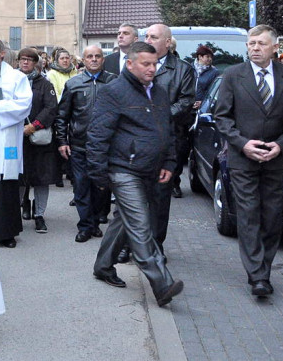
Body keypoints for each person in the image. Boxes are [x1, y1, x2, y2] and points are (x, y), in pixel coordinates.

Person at [213, 24, 283, 297]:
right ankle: (258, 276)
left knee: (272, 217)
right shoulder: (232, 75)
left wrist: (280, 145)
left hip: (276, 160)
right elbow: (222, 117)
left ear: (274, 47)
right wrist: (243, 144)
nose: (255, 48)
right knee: (249, 215)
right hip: (244, 160)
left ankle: (264, 266)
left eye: (261, 44)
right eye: (251, 43)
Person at [89, 42, 184, 307]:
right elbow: (97, 135)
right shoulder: (113, 92)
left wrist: (169, 162)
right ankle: (162, 283)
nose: (152, 69)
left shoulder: (161, 93)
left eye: (154, 64)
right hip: (123, 169)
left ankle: (103, 265)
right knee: (141, 225)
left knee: (124, 220)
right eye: (146, 64)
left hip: (151, 169)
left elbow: (167, 132)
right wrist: (99, 176)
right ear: (129, 64)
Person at [55, 44, 115, 242]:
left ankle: (96, 221)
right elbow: (62, 115)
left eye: (98, 56)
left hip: (106, 147)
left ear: (103, 59)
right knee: (81, 186)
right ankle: (85, 226)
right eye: (90, 56)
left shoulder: (114, 82)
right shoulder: (74, 84)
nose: (94, 59)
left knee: (101, 187)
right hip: (79, 145)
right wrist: (62, 140)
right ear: (83, 60)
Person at [0, 38, 32, 248]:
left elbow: (23, 105)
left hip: (6, 136)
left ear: (2, 53)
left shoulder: (16, 77)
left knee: (6, 184)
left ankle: (7, 232)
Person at [145, 24, 195, 226]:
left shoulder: (183, 69)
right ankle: (128, 246)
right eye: (146, 36)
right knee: (133, 199)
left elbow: (185, 103)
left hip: (168, 140)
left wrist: (155, 118)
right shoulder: (135, 65)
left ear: (167, 42)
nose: (148, 40)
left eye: (154, 37)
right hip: (137, 141)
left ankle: (155, 247)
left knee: (159, 199)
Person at [14, 48, 59, 234]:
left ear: (36, 63)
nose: (25, 63)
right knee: (17, 178)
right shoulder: (11, 81)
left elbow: (51, 108)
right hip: (16, 137)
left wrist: (34, 126)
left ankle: (39, 215)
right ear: (18, 61)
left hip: (39, 139)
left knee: (41, 179)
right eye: (22, 59)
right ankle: (14, 213)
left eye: (29, 60)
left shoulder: (44, 84)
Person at [192, 45, 220, 110]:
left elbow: (213, 92)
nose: (210, 59)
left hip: (204, 108)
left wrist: (202, 102)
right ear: (200, 57)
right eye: (207, 56)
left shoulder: (214, 72)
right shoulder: (189, 69)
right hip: (188, 108)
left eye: (211, 57)